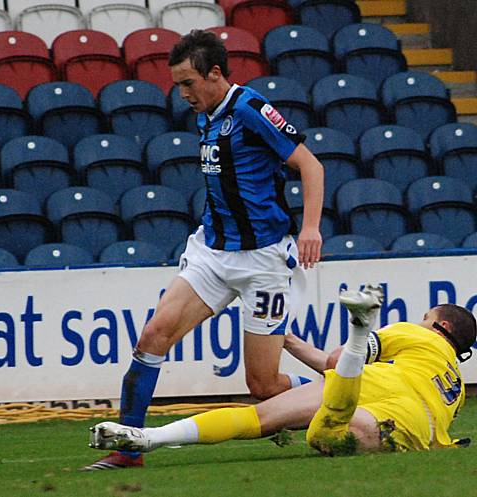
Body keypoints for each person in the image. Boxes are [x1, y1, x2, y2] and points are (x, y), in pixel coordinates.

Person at [82, 29, 325, 470]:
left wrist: (310, 228)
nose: (183, 93)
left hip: (263, 261)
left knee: (264, 385)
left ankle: (337, 392)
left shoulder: (250, 108)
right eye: (177, 84)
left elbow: (310, 164)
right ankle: (127, 449)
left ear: (215, 73)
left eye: (188, 82)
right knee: (153, 336)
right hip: (212, 252)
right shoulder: (206, 114)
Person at [89, 286, 476, 456]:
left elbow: (334, 360)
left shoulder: (413, 334)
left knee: (256, 417)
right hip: (402, 431)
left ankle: (150, 437)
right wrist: (289, 342)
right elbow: (332, 366)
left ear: (439, 326)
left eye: (427, 318)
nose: (419, 321)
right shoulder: (455, 386)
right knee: (329, 427)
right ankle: (343, 397)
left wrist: (346, 347)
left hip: (365, 394)